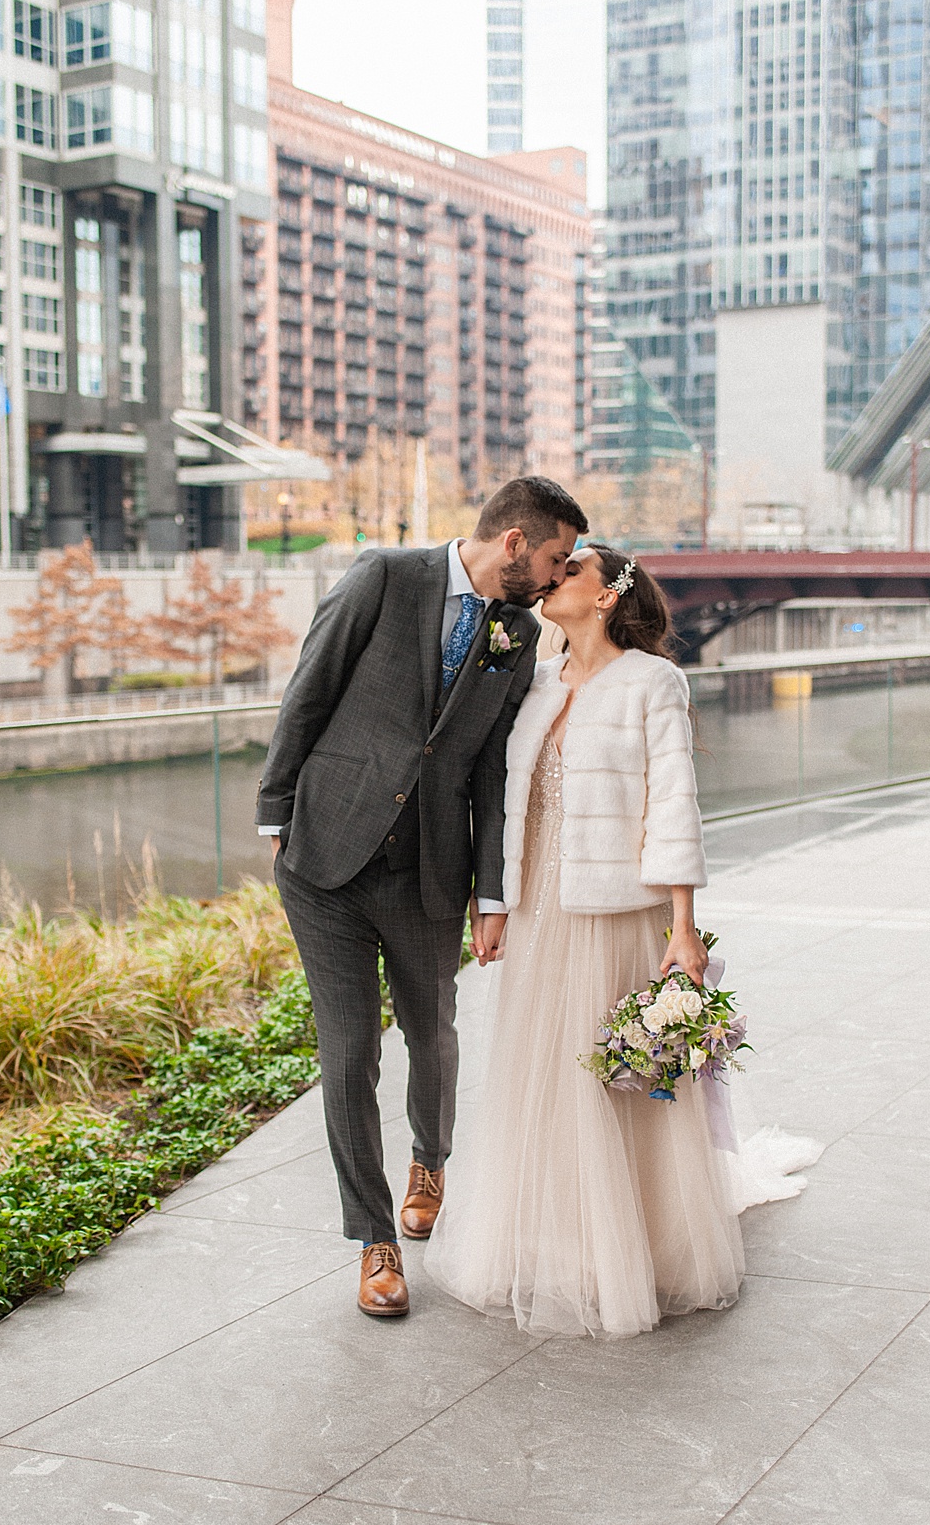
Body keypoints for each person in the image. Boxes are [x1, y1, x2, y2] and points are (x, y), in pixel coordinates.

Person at [425, 544, 819, 1338]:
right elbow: (508, 807)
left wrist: (683, 928)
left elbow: (675, 803)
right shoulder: (535, 683)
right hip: (540, 910)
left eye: (570, 570)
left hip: (618, 913)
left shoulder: (653, 682)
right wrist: (493, 905)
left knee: (616, 1082)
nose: (552, 579)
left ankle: (646, 1247)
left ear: (606, 597)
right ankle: (557, 1242)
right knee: (542, 1077)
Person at [256, 476, 587, 1318]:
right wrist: (274, 811)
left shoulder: (518, 634)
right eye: (552, 559)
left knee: (432, 1032)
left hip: (429, 869)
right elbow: (311, 688)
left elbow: (488, 769)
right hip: (326, 855)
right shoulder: (383, 576)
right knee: (348, 1050)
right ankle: (374, 1240)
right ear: (514, 542)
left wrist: (491, 893)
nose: (557, 578)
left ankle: (429, 1159)